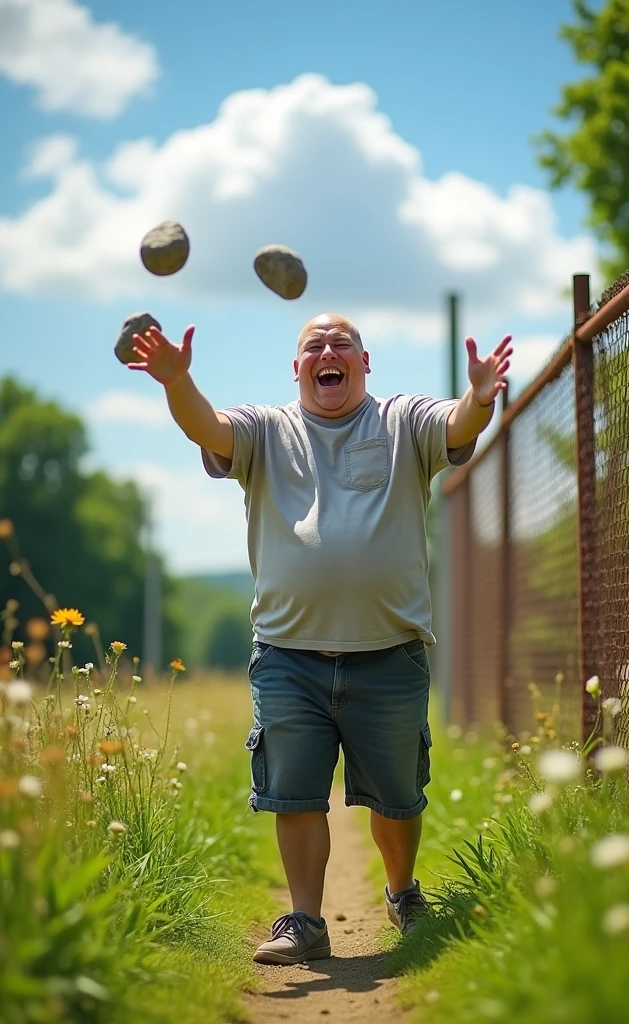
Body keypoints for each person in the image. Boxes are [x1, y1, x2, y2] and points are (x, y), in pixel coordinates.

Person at [129, 313, 511, 965]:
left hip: (389, 652)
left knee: (397, 795)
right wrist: (176, 382)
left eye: (341, 345)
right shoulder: (265, 429)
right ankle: (305, 920)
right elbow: (209, 428)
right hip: (288, 654)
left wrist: (478, 398)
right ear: (297, 367)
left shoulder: (401, 420)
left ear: (366, 362)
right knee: (294, 791)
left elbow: (456, 426)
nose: (327, 353)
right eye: (314, 346)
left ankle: (402, 892)